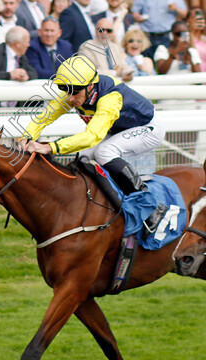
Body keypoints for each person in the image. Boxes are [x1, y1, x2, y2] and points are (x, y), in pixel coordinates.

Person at [20, 56, 168, 233]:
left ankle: (151, 205)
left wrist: (50, 147)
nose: (69, 98)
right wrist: (27, 136)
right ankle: (99, 206)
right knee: (84, 158)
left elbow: (92, 137)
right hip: (120, 130)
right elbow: (43, 118)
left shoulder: (110, 99)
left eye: (74, 92)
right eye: (64, 90)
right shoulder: (76, 90)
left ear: (90, 85)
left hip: (148, 128)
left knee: (105, 152)